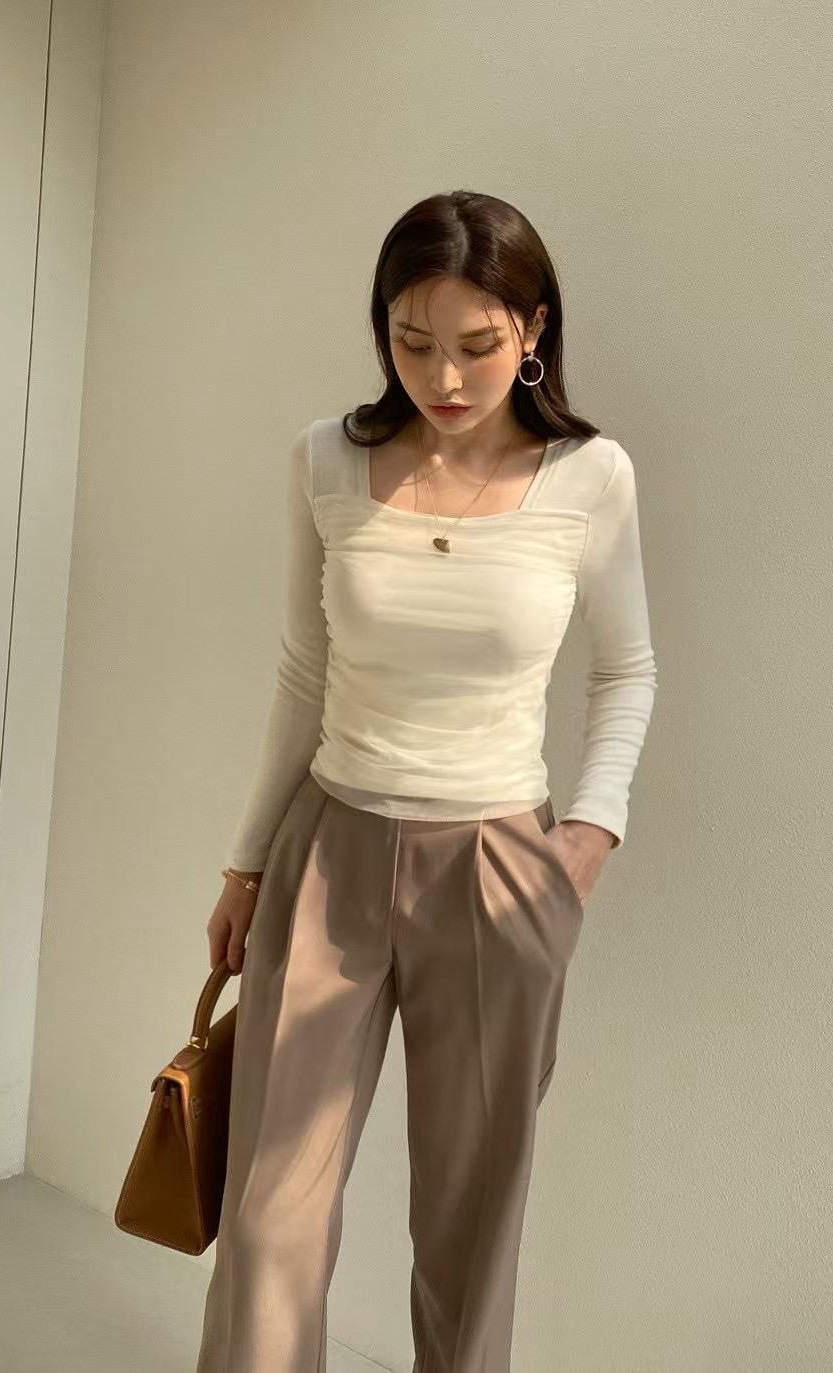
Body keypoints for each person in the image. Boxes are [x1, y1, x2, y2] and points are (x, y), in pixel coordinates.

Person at [196, 189, 657, 1373]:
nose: (443, 377)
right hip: (326, 855)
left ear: (533, 329)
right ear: (382, 330)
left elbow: (626, 669)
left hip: (501, 864)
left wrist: (588, 835)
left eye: (475, 344)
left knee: (467, 1220)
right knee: (268, 1211)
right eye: (412, 343)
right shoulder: (326, 459)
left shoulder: (590, 476)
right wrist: (245, 863)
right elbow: (303, 671)